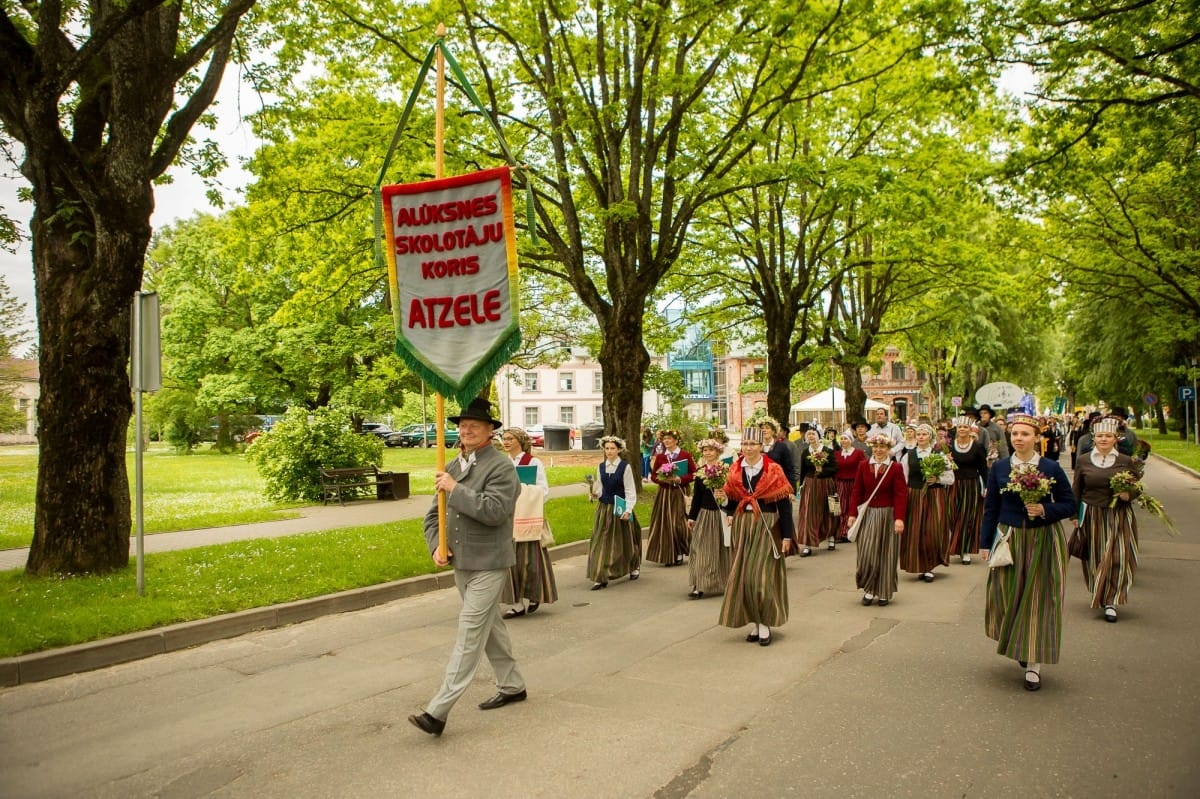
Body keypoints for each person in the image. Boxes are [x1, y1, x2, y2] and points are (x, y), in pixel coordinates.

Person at [409, 398, 526, 736]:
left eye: (475, 424)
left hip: (490, 563)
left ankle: (438, 711)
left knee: (470, 632)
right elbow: (434, 515)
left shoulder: (501, 467)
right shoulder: (454, 465)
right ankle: (512, 685)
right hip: (463, 564)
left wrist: (454, 489)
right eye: (462, 424)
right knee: (490, 627)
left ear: (490, 431)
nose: (466, 429)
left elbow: (495, 511)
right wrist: (436, 545)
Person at [979, 412, 1077, 692]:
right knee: (1007, 596)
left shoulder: (1050, 468)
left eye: (1025, 434)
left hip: (1043, 539)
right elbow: (991, 509)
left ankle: (1034, 662)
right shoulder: (999, 468)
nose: (1019, 439)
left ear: (1037, 437)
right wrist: (986, 543)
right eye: (1015, 434)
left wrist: (1045, 509)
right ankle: (1021, 642)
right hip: (1010, 539)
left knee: (1038, 599)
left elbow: (1069, 504)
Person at [718, 426, 795, 646]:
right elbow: (731, 501)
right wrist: (726, 506)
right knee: (744, 577)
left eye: (752, 444)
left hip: (766, 525)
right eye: (745, 444)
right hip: (744, 525)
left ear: (762, 446)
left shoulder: (774, 470)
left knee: (759, 577)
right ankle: (755, 622)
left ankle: (764, 624)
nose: (748, 448)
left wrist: (787, 536)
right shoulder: (734, 469)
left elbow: (784, 506)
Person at [1071, 416, 1140, 623]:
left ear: (1116, 438)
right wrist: (1074, 514)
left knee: (1118, 556)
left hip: (1118, 514)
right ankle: (1099, 590)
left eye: (1108, 436)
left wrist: (1129, 494)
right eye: (1100, 436)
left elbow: (1136, 487)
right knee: (1095, 556)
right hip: (1091, 513)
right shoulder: (1083, 460)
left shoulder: (1125, 461)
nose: (1103, 439)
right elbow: (1077, 488)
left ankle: (1111, 600)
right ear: (1094, 437)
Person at [498, 427, 558, 618]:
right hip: (507, 518)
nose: (506, 442)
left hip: (528, 517)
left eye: (510, 439)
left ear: (520, 441)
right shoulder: (502, 464)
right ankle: (516, 603)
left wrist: (523, 494)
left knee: (530, 560)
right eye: (504, 438)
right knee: (510, 560)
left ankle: (534, 594)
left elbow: (543, 490)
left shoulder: (532, 462)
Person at [845, 434, 908, 606]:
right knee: (867, 553)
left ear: (888, 450)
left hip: (888, 514)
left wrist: (899, 518)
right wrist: (852, 514)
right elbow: (857, 490)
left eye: (882, 447)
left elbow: (900, 494)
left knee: (886, 553)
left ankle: (884, 591)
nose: (878, 450)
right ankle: (869, 588)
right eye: (876, 447)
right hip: (868, 514)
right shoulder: (864, 466)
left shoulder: (895, 468)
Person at [898, 423, 955, 583]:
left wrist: (937, 479)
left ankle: (930, 565)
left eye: (924, 434)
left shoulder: (939, 454)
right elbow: (904, 478)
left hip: (935, 495)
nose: (921, 437)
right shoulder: (908, 455)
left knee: (932, 530)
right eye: (918, 434)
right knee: (916, 530)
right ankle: (921, 565)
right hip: (915, 496)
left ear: (930, 436)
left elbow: (950, 478)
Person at [587, 435, 641, 589]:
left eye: (612, 448)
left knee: (625, 541)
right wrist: (595, 494)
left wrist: (628, 510)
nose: (609, 451)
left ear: (618, 450)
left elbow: (630, 491)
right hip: (604, 509)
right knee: (600, 541)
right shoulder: (600, 467)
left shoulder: (625, 467)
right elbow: (601, 488)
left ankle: (633, 566)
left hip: (620, 508)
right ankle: (600, 575)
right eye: (607, 448)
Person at [685, 439, 733, 599]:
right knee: (699, 549)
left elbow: (733, 495)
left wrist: (731, 512)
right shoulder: (700, 472)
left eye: (710, 450)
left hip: (721, 514)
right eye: (705, 450)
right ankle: (698, 584)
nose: (707, 453)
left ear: (717, 452)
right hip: (704, 514)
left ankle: (725, 582)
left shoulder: (726, 471)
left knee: (721, 550)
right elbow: (697, 497)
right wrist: (692, 517)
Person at [645, 429, 697, 566]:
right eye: (665, 439)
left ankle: (682, 549)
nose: (666, 441)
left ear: (676, 440)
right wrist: (663, 480)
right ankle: (670, 554)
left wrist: (680, 479)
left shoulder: (685, 455)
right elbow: (654, 476)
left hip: (680, 492)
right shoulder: (661, 457)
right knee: (666, 523)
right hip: (665, 494)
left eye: (669, 439)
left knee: (679, 523)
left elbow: (694, 474)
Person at [946, 416, 988, 565]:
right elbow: (945, 466)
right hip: (954, 483)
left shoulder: (977, 446)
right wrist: (947, 461)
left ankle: (966, 550)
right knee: (953, 515)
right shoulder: (950, 447)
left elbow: (983, 467)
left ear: (970, 430)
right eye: (960, 427)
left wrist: (987, 485)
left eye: (965, 427)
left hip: (971, 484)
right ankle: (956, 545)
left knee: (969, 516)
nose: (962, 429)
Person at [796, 427, 838, 555]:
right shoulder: (805, 452)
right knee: (808, 513)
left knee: (831, 509)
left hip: (826, 483)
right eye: (808, 434)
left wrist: (822, 471)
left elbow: (835, 468)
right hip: (810, 484)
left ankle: (831, 537)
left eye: (813, 434)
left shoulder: (828, 451)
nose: (811, 436)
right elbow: (803, 471)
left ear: (818, 436)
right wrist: (801, 485)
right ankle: (808, 544)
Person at [759, 417, 798, 547]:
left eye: (767, 428)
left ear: (773, 430)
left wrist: (791, 490)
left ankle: (784, 545)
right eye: (762, 428)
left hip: (778, 488)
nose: (764, 430)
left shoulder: (781, 447)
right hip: (760, 489)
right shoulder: (755, 446)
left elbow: (789, 469)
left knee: (782, 516)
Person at [833, 430, 867, 543]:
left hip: (854, 483)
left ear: (851, 441)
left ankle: (854, 530)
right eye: (842, 439)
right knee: (841, 507)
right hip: (840, 483)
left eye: (846, 438)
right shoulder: (837, 454)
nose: (843, 441)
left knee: (853, 506)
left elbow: (863, 468)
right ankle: (842, 531)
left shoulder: (858, 453)